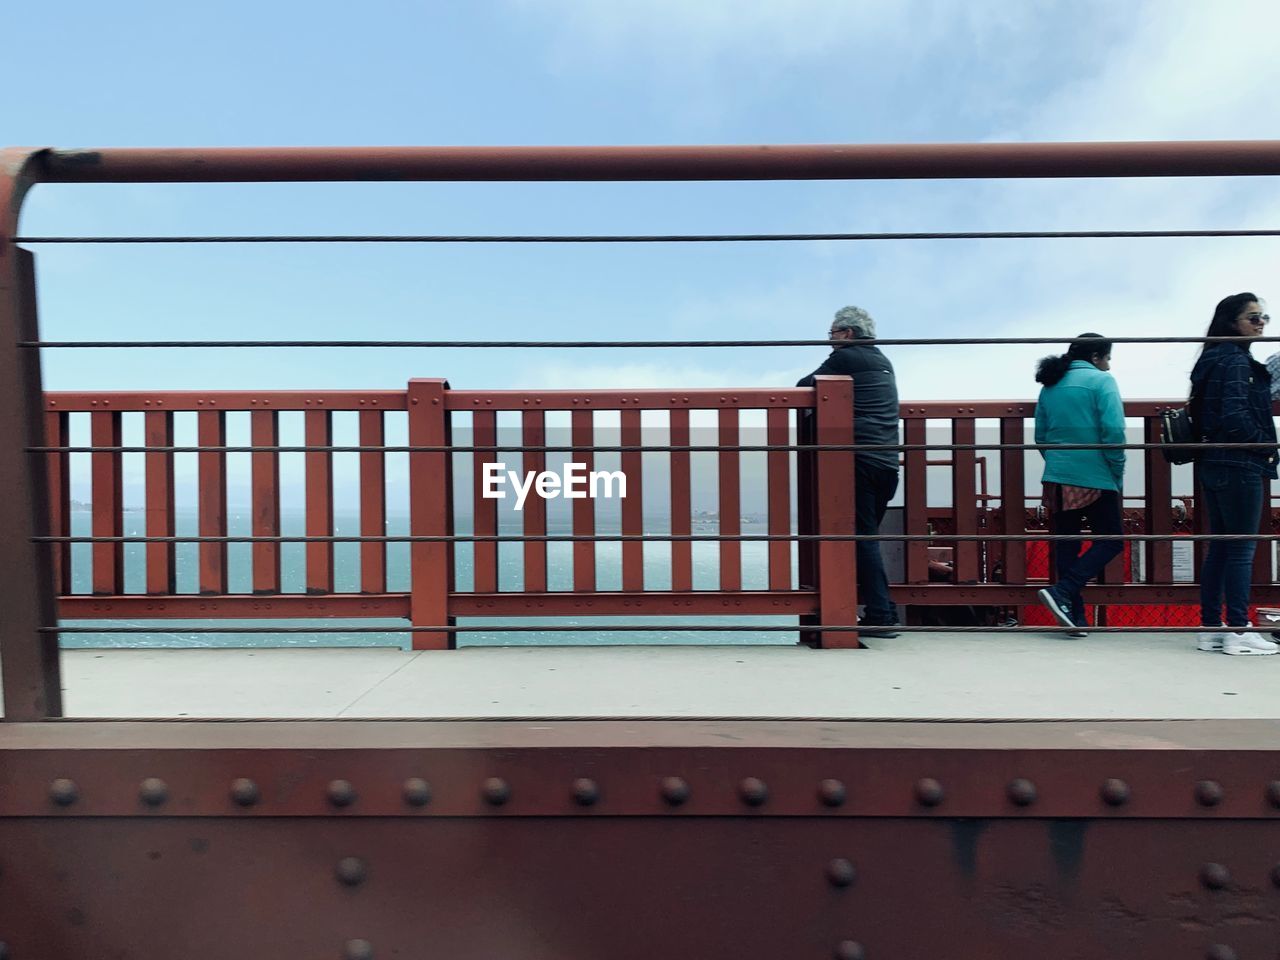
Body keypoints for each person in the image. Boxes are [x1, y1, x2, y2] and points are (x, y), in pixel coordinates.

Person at [797, 305, 901, 637]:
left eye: (832, 334)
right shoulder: (883, 360)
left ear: (848, 334)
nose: (829, 342)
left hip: (861, 460)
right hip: (887, 463)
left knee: (863, 538)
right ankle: (882, 610)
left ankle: (881, 616)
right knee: (865, 537)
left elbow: (805, 385)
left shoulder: (848, 357)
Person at [1191, 293, 1278, 656]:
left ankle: (1212, 627)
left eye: (1264, 318)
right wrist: (1264, 445)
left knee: (1222, 547)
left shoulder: (1210, 359)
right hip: (1239, 463)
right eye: (1253, 318)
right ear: (1232, 322)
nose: (1260, 324)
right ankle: (1239, 630)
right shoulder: (1237, 361)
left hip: (1212, 463)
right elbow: (1235, 417)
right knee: (1241, 548)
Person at [1033, 334, 1125, 639]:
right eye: (1108, 358)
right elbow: (1113, 432)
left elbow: (1041, 436)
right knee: (1111, 540)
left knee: (1067, 545)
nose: (1109, 364)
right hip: (1096, 474)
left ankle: (1075, 617)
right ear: (1098, 356)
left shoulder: (1051, 385)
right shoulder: (1102, 381)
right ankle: (1063, 592)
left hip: (1058, 475)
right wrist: (1116, 470)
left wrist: (1059, 460)